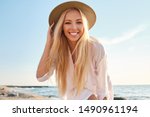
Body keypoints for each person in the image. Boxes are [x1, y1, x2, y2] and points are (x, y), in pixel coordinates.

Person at [36, 1, 113, 100]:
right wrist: (49, 43)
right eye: (67, 23)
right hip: (73, 98)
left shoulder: (96, 48)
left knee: (91, 97)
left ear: (84, 25)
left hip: (96, 99)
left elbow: (102, 90)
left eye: (79, 22)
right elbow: (41, 77)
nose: (74, 28)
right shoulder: (59, 50)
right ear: (61, 27)